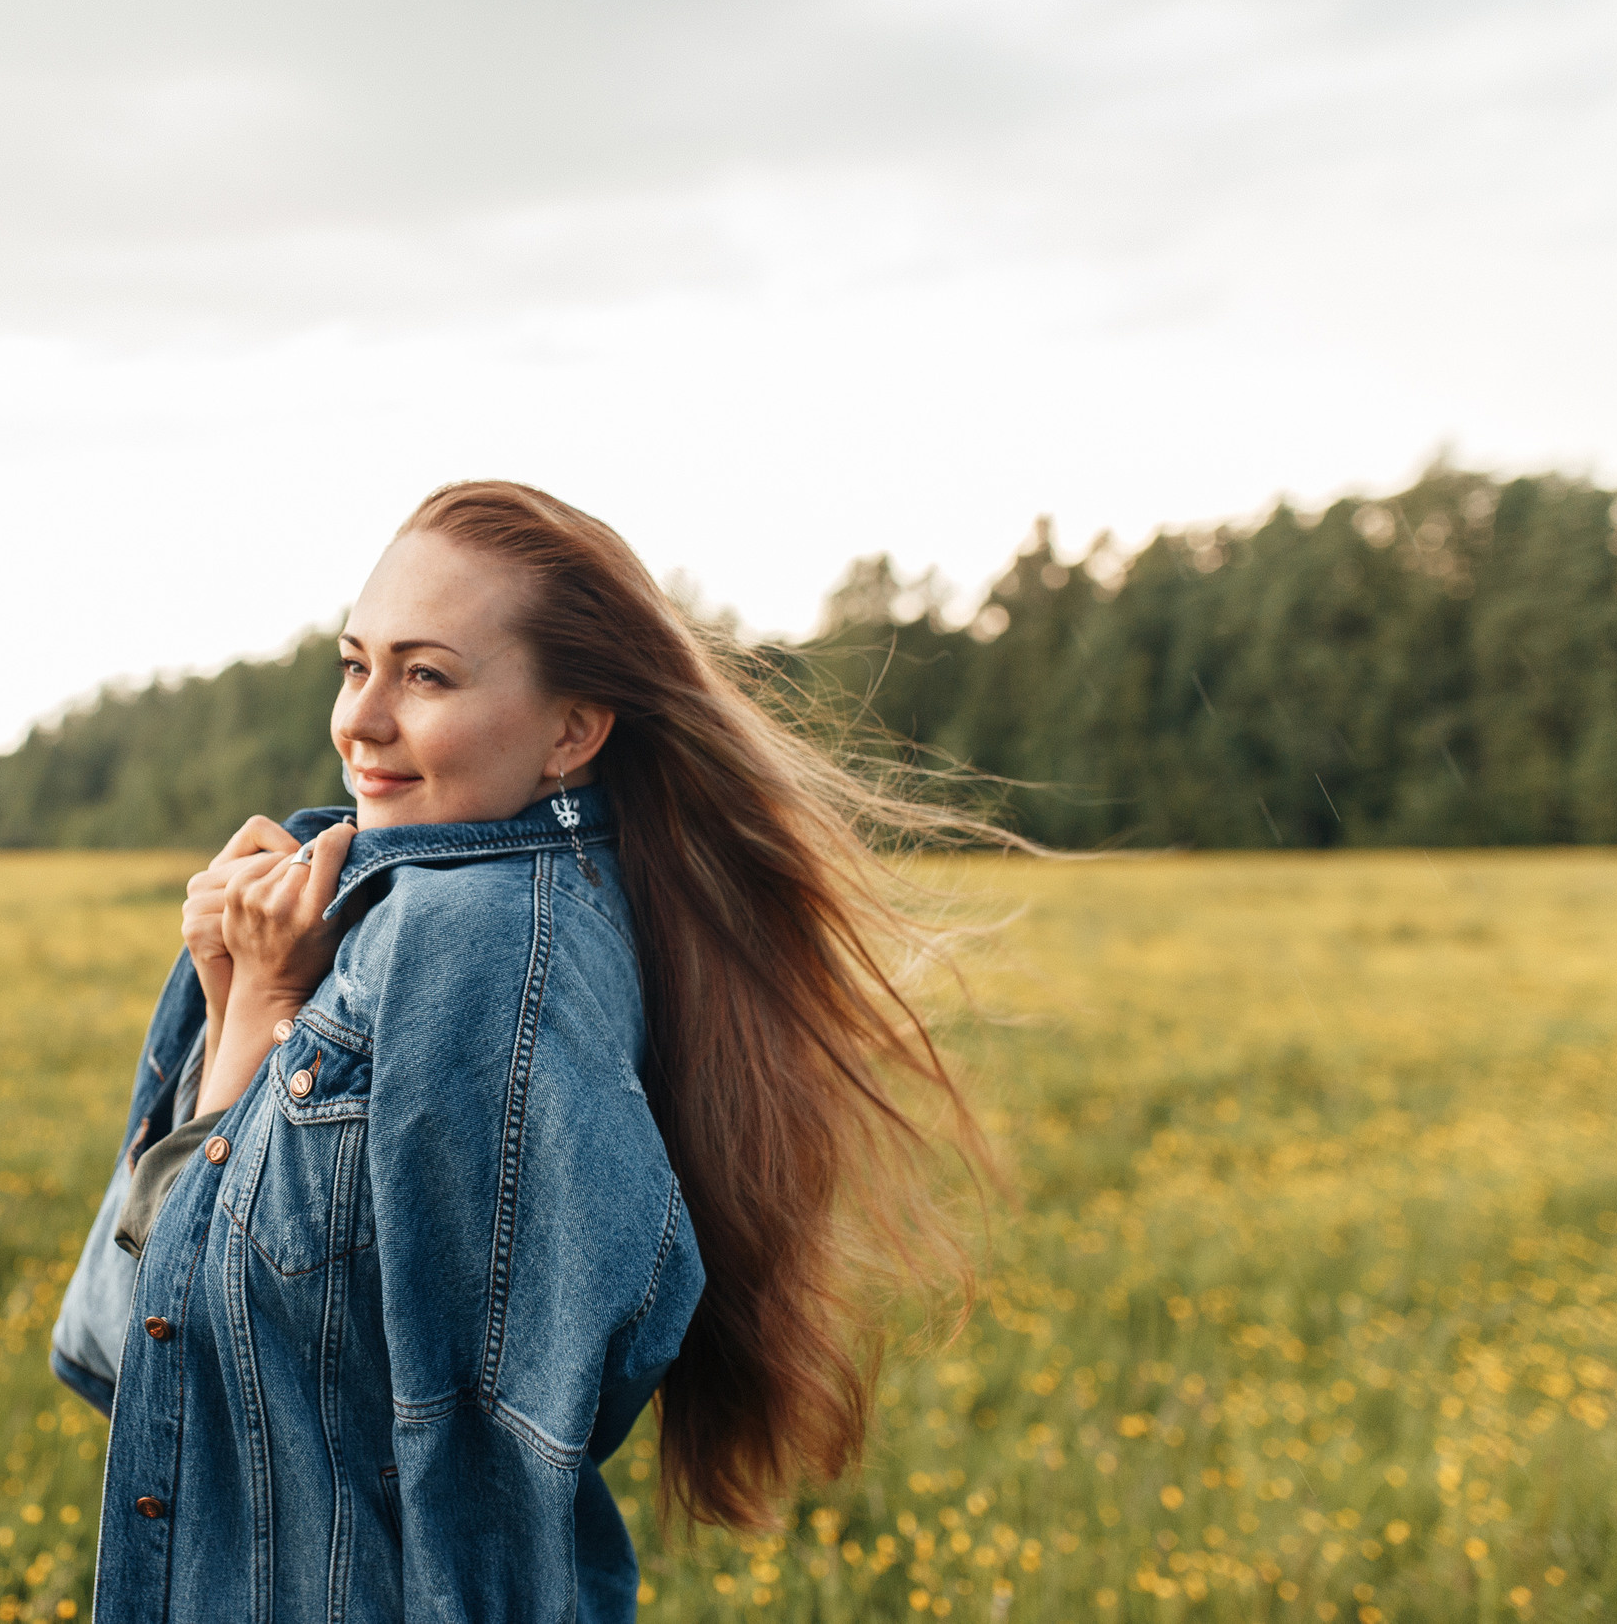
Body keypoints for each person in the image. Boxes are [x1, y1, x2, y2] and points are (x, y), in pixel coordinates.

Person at [50, 481, 994, 1622]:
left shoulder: (478, 940)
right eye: (356, 665)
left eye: (426, 674)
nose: (360, 719)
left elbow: (489, 1461)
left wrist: (256, 1002)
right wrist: (242, 991)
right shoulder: (345, 907)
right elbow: (140, 1344)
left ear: (572, 729)